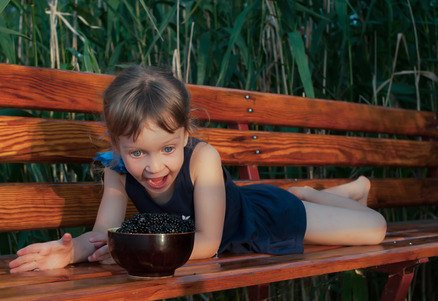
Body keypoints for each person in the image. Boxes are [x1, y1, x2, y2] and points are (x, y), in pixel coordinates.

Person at [9, 66, 386, 273]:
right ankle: (318, 195)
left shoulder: (203, 157)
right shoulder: (116, 172)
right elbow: (101, 236)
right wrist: (70, 252)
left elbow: (205, 243)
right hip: (228, 227)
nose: (155, 166)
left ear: (185, 133)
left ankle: (313, 194)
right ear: (116, 145)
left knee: (376, 229)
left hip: (266, 220)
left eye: (169, 148)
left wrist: (136, 251)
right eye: (137, 152)